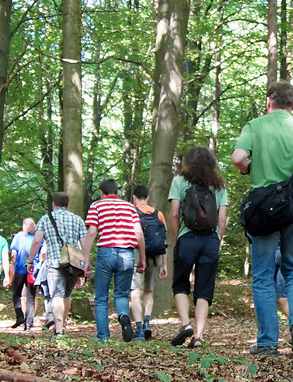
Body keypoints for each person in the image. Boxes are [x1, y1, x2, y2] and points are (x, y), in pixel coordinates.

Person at [232, 82, 293, 355]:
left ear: (268, 103)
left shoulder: (255, 126)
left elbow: (238, 158)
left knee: (263, 275)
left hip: (264, 210)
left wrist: (250, 167)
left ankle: (266, 342)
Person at [168, 147, 230, 348]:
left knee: (180, 284)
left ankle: (186, 324)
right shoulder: (219, 186)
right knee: (204, 289)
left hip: (187, 239)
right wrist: (217, 241)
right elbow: (222, 219)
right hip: (210, 240)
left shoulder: (179, 181)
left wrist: (177, 238)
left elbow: (175, 214)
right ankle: (199, 336)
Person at [83, 179, 147, 342]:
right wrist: (143, 258)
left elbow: (91, 233)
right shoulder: (130, 207)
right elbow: (139, 233)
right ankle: (123, 315)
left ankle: (103, 337)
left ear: (101, 192)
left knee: (101, 297)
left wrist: (86, 259)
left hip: (106, 252)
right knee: (121, 294)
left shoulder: (97, 206)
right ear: (117, 192)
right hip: (127, 254)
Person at [28, 193, 87, 337]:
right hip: (73, 263)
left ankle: (59, 328)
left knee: (56, 295)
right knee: (66, 294)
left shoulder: (46, 219)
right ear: (67, 205)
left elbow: (37, 241)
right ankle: (62, 324)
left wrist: (30, 261)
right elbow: (84, 242)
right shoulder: (77, 219)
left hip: (54, 261)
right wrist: (86, 263)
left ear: (54, 204)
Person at [129, 185, 168, 341]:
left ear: (134, 197)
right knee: (148, 292)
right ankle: (147, 323)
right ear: (147, 197)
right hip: (155, 257)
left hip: (137, 255)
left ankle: (138, 329)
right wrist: (164, 265)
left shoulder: (132, 213)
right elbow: (164, 241)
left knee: (135, 293)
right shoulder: (158, 214)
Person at [8, 218, 37, 329]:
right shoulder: (37, 238)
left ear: (25, 225)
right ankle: (28, 323)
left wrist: (13, 267)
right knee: (31, 297)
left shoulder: (18, 237)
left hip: (20, 269)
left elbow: (13, 255)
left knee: (16, 294)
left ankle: (19, 316)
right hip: (32, 271)